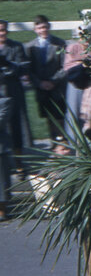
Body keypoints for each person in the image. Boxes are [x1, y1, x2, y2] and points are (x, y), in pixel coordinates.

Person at [26, 15, 68, 141]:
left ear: (49, 27)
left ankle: (63, 145)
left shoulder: (59, 44)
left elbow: (65, 66)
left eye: (44, 27)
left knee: (59, 117)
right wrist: (39, 83)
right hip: (41, 88)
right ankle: (53, 143)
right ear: (35, 30)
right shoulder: (31, 47)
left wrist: (53, 81)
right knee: (48, 116)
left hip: (57, 87)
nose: (42, 30)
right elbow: (29, 69)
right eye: (39, 28)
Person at [0, 20, 31, 176]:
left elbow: (24, 65)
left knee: (16, 127)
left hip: (13, 92)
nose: (2, 33)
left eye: (4, 30)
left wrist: (9, 68)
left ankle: (19, 161)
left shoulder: (16, 46)